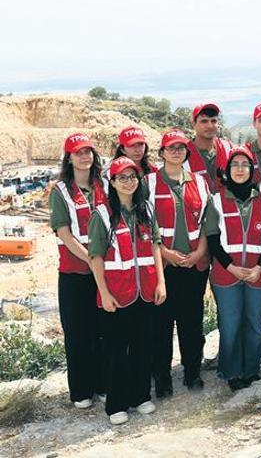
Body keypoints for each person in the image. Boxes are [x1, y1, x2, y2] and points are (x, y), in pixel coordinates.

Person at [87, 157, 166, 426]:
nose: (129, 182)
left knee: (144, 346)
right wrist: (104, 293)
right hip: (117, 296)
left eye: (133, 177)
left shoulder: (147, 210)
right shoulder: (102, 214)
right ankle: (116, 404)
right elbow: (95, 257)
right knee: (117, 351)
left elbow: (156, 246)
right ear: (112, 181)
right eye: (122, 177)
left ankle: (140, 396)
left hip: (145, 291)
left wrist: (161, 282)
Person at [147, 129, 212, 395]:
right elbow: (145, 226)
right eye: (171, 148)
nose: (177, 152)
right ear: (161, 153)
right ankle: (162, 379)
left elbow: (208, 223)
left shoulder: (198, 182)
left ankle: (192, 373)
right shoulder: (149, 183)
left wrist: (199, 253)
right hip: (164, 266)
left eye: (181, 148)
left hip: (194, 265)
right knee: (161, 325)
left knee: (191, 322)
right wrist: (165, 253)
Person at [206, 146, 261, 391]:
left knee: (254, 322)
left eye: (244, 164)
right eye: (234, 164)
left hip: (258, 272)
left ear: (251, 170)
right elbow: (213, 238)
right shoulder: (216, 200)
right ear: (227, 170)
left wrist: (259, 267)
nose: (239, 169)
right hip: (227, 274)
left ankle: (251, 369)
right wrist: (231, 267)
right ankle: (231, 371)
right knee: (230, 323)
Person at [48, 133, 107, 409]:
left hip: (105, 274)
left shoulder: (104, 185)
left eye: (88, 151)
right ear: (69, 158)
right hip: (74, 275)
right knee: (77, 334)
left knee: (103, 331)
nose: (84, 157)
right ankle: (82, 391)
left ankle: (103, 384)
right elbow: (65, 234)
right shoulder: (60, 191)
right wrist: (92, 261)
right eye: (78, 152)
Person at [184, 102, 233, 193]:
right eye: (204, 121)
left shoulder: (228, 148)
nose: (210, 126)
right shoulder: (183, 153)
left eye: (213, 121)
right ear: (193, 123)